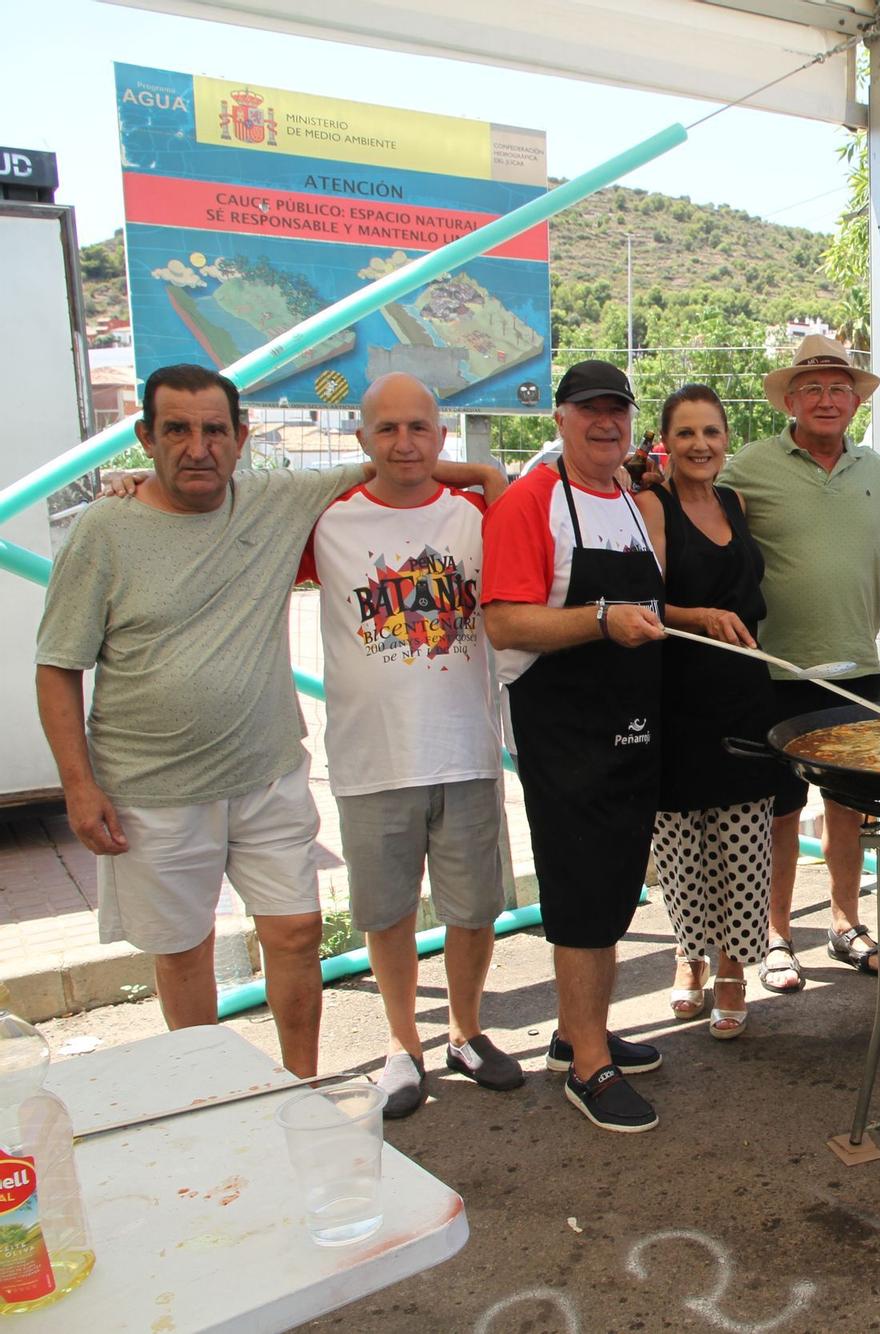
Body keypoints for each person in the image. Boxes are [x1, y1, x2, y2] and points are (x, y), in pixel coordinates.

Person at [34, 365, 367, 1078]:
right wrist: (78, 787)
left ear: (242, 438)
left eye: (215, 429)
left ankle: (300, 1087)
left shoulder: (274, 501)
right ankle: (209, 1096)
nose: (198, 446)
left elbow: (396, 457)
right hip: (152, 793)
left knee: (298, 932)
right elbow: (57, 667)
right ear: (145, 438)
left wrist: (489, 481)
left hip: (268, 774)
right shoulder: (105, 530)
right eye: (177, 429)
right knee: (184, 952)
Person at [298, 373, 519, 1117]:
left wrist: (482, 476)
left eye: (419, 428)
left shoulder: (477, 516)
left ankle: (465, 1029)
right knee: (387, 912)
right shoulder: (325, 523)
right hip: (371, 759)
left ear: (441, 437)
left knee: (473, 908)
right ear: (360, 440)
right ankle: (403, 1045)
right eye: (386, 429)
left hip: (465, 748)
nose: (404, 443)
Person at [720, 335, 880, 989]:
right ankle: (777, 935)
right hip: (774, 671)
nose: (825, 399)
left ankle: (845, 925)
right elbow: (693, 506)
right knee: (778, 811)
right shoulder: (750, 467)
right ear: (790, 399)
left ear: (853, 400)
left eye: (838, 388)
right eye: (811, 388)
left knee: (846, 808)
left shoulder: (873, 468)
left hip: (856, 668)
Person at [482, 359, 667, 1133]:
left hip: (628, 728)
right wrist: (600, 619)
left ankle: (575, 1031)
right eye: (588, 411)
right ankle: (587, 1068)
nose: (605, 423)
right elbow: (504, 621)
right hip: (566, 735)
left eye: (616, 411)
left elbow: (646, 606)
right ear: (558, 419)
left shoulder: (626, 497)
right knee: (582, 894)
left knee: (613, 887)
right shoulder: (533, 501)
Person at [634, 384, 781, 1039]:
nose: (700, 445)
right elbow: (639, 605)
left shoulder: (735, 501)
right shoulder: (650, 504)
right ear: (666, 442)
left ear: (727, 441)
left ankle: (731, 968)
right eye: (686, 434)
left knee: (744, 840)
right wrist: (699, 616)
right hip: (677, 695)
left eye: (711, 433)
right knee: (680, 842)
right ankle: (687, 954)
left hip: (745, 694)